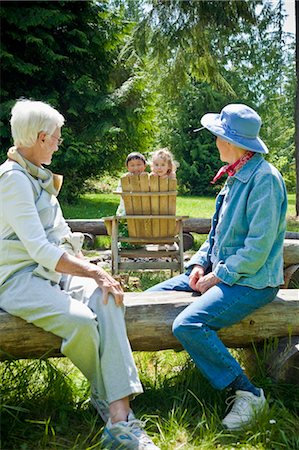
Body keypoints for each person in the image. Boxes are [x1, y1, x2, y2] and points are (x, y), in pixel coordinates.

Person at [0, 99, 160, 450]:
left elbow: (58, 237)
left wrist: (92, 271)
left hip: (55, 271)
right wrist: (91, 270)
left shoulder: (37, 172)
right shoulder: (13, 180)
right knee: (82, 322)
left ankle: (120, 419)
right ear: (41, 137)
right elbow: (39, 250)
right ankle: (105, 394)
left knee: (109, 297)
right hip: (20, 279)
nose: (59, 142)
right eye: (56, 136)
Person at [147, 104, 287, 430]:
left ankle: (246, 393)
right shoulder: (236, 174)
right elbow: (215, 235)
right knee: (146, 300)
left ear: (231, 140)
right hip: (221, 273)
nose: (214, 140)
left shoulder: (264, 180)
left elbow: (257, 248)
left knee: (189, 325)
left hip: (251, 282)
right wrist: (198, 264)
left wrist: (218, 276)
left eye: (218, 135)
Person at [116, 151, 147, 216]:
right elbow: (119, 191)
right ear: (127, 167)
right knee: (124, 214)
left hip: (144, 208)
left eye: (139, 164)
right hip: (127, 208)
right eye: (132, 165)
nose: (136, 168)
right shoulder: (124, 179)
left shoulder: (148, 178)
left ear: (145, 166)